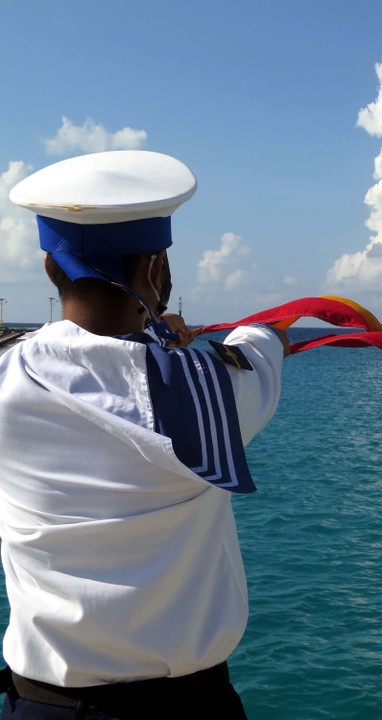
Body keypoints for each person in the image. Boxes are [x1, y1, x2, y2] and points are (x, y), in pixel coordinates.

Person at [0, 150, 289, 719]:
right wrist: (250, 332)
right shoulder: (212, 393)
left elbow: (79, 355)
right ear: (155, 271)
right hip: (186, 708)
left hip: (40, 706)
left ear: (49, 268)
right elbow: (263, 346)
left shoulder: (8, 378)